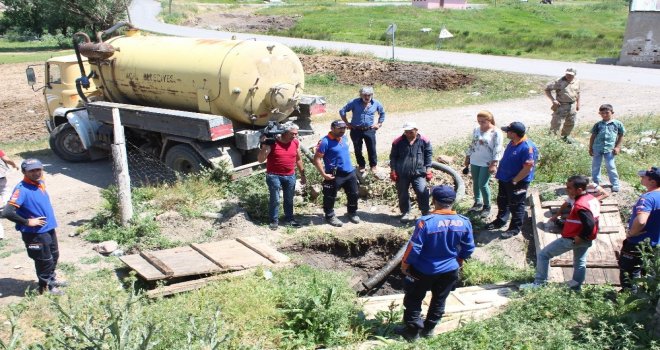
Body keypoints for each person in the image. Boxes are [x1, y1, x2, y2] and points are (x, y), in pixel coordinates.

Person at [399, 185, 475, 341]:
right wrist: (459, 260)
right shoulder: (464, 222)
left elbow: (414, 248)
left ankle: (412, 333)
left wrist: (405, 264)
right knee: (439, 300)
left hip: (423, 270)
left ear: (434, 201)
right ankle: (429, 330)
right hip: (449, 271)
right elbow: (469, 248)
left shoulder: (426, 222)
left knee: (413, 299)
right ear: (453, 201)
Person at [522, 176, 600, 291]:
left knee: (543, 255)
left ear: (579, 190)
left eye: (569, 188)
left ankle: (539, 284)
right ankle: (576, 287)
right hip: (587, 238)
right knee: (580, 262)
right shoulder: (591, 199)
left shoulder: (580, 205)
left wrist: (580, 237)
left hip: (573, 238)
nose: (566, 190)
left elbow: (589, 224)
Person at [2, 159, 66, 295]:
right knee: (44, 260)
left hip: (47, 229)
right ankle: (46, 287)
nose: (36, 173)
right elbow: (7, 212)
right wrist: (27, 222)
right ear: (24, 172)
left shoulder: (39, 183)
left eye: (38, 169)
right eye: (32, 171)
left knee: (54, 256)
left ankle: (51, 280)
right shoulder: (22, 189)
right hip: (35, 233)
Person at [485, 121, 539, 239]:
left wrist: (515, 180)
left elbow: (528, 168)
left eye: (507, 131)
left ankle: (514, 229)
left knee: (516, 205)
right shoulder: (512, 142)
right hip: (504, 178)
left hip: (517, 182)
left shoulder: (527, 148)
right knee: (502, 201)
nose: (506, 133)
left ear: (513, 133)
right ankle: (500, 221)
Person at [258, 122, 306, 231]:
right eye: (292, 134)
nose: (294, 136)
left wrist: (302, 174)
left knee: (289, 199)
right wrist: (264, 145)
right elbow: (260, 160)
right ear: (284, 132)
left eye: (296, 134)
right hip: (274, 175)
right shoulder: (273, 143)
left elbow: (298, 159)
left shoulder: (295, 142)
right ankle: (274, 220)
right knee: (275, 199)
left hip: (290, 175)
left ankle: (289, 219)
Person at [618, 167, 660, 292]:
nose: (641, 178)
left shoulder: (648, 198)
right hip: (656, 243)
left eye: (644, 177)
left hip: (638, 243)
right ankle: (648, 300)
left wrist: (632, 233)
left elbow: (641, 220)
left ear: (652, 181)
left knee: (629, 272)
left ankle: (630, 297)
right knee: (651, 274)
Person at [313, 120, 360, 227]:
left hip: (350, 172)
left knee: (354, 194)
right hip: (335, 175)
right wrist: (323, 174)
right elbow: (316, 159)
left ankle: (352, 212)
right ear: (332, 128)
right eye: (339, 128)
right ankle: (329, 215)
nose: (342, 130)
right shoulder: (325, 142)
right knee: (330, 196)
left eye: (344, 128)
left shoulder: (344, 138)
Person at [389, 121, 433, 223]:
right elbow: (393, 157)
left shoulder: (424, 140)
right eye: (406, 132)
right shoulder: (398, 141)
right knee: (402, 193)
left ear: (416, 130)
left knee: (422, 191)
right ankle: (406, 213)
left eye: (411, 132)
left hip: (419, 172)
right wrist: (393, 171)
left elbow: (428, 155)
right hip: (402, 173)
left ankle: (425, 212)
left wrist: (428, 170)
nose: (408, 134)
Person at [463, 110, 504, 218]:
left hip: (487, 162)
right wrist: (468, 157)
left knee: (482, 184)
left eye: (483, 122)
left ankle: (487, 206)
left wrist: (494, 163)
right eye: (479, 121)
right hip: (475, 159)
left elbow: (498, 148)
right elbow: (473, 143)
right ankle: (477, 202)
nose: (480, 124)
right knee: (475, 182)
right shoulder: (476, 129)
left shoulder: (496, 132)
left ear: (489, 120)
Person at [339, 86, 386, 173]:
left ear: (372, 95)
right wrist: (347, 123)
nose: (367, 97)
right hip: (356, 129)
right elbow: (342, 111)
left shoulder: (376, 103)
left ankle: (373, 165)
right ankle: (361, 165)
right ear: (360, 95)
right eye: (364, 95)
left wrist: (379, 124)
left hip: (369, 130)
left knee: (371, 148)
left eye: (369, 95)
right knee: (357, 148)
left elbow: (382, 113)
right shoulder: (354, 102)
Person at [589, 104, 625, 193]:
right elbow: (593, 136)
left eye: (607, 113)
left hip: (610, 149)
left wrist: (617, 147)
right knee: (596, 166)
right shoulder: (598, 125)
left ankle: (615, 184)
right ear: (599, 113)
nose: (604, 115)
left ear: (612, 112)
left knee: (611, 166)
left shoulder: (617, 124)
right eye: (602, 113)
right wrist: (590, 148)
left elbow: (621, 135)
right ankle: (595, 184)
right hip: (597, 148)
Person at [545, 67, 580, 142]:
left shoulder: (577, 81)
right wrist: (553, 100)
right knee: (556, 122)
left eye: (571, 75)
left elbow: (578, 92)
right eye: (567, 74)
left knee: (571, 122)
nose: (568, 76)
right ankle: (551, 139)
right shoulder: (559, 81)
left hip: (572, 105)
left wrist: (578, 104)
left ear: (574, 75)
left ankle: (564, 137)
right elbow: (547, 89)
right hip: (561, 105)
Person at [0, 149, 19, 240]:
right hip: (1, 176)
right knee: (5, 190)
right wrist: (14, 164)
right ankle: (5, 208)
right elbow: (6, 159)